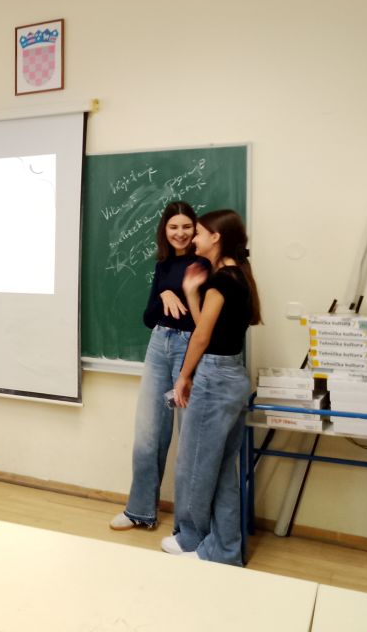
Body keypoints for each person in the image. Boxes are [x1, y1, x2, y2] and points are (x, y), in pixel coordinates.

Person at [161, 209, 261, 564]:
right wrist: (191, 293)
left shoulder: (221, 282)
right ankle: (225, 551)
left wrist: (183, 376)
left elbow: (202, 337)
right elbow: (209, 325)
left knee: (194, 466)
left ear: (216, 237)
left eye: (200, 233)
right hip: (232, 376)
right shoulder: (238, 276)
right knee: (220, 470)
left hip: (214, 377)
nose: (194, 239)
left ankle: (190, 539)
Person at [111, 201, 209, 531]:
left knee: (191, 437)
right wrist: (165, 294)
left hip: (189, 348)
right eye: (173, 227)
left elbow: (202, 321)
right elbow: (148, 317)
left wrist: (171, 294)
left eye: (186, 226)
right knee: (148, 432)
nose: (180, 233)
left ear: (196, 228)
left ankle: (191, 526)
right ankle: (139, 511)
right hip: (159, 344)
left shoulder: (203, 264)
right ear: (164, 230)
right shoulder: (164, 264)